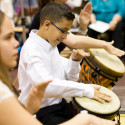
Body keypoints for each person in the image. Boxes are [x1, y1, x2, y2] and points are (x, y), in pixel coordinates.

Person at [0, 10, 116, 125]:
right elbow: (48, 86)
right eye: (8, 37)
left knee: (98, 113)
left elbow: (70, 79)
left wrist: (75, 61)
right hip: (43, 112)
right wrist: (86, 91)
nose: (64, 37)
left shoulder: (51, 45)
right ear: (47, 25)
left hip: (57, 105)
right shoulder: (31, 50)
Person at [29, 0, 125, 56]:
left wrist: (83, 26)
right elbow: (73, 42)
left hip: (55, 60)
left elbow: (73, 45)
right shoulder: (47, 14)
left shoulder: (54, 11)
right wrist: (104, 45)